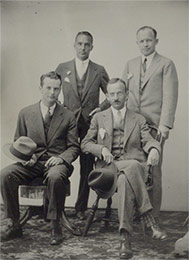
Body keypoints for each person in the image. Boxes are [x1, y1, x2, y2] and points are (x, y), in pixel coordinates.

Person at [81, 78, 167, 259]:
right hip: (107, 170)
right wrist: (101, 148)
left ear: (126, 95)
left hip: (126, 172)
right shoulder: (99, 117)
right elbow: (85, 143)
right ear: (107, 96)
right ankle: (149, 219)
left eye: (120, 93)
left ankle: (124, 238)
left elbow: (148, 139)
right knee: (134, 165)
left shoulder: (138, 118)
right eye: (111, 94)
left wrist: (153, 149)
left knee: (125, 178)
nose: (116, 97)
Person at [0, 71, 80, 245]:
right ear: (40, 88)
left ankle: (54, 223)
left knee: (54, 176)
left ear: (60, 90)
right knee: (5, 174)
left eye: (56, 89)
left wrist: (61, 158)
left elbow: (74, 147)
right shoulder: (26, 113)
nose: (52, 92)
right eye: (48, 88)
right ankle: (13, 223)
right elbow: (18, 142)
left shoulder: (68, 116)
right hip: (32, 163)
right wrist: (25, 158)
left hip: (56, 163)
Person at [121, 26, 178, 221]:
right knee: (135, 166)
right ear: (137, 43)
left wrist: (165, 126)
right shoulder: (130, 64)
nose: (145, 44)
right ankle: (135, 212)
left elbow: (170, 96)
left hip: (155, 126)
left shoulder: (166, 64)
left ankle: (153, 217)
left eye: (149, 40)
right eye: (141, 41)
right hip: (132, 125)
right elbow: (121, 90)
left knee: (153, 170)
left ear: (156, 41)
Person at [56, 31, 109, 220]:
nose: (83, 48)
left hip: (89, 124)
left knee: (87, 167)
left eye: (87, 44)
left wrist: (99, 109)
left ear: (92, 47)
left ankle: (80, 208)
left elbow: (111, 94)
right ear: (74, 45)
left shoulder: (99, 70)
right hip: (67, 123)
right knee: (61, 162)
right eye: (79, 44)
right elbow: (52, 90)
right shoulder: (63, 68)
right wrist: (61, 108)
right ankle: (55, 207)